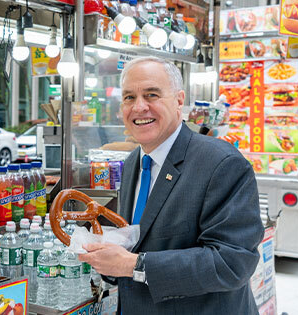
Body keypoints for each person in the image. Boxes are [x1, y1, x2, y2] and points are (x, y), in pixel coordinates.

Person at [78, 56, 264, 314]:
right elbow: (144, 239)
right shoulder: (134, 161)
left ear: (179, 100)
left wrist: (133, 265)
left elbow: (233, 263)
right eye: (129, 97)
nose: (139, 107)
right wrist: (108, 258)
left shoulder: (222, 163)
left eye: (152, 94)